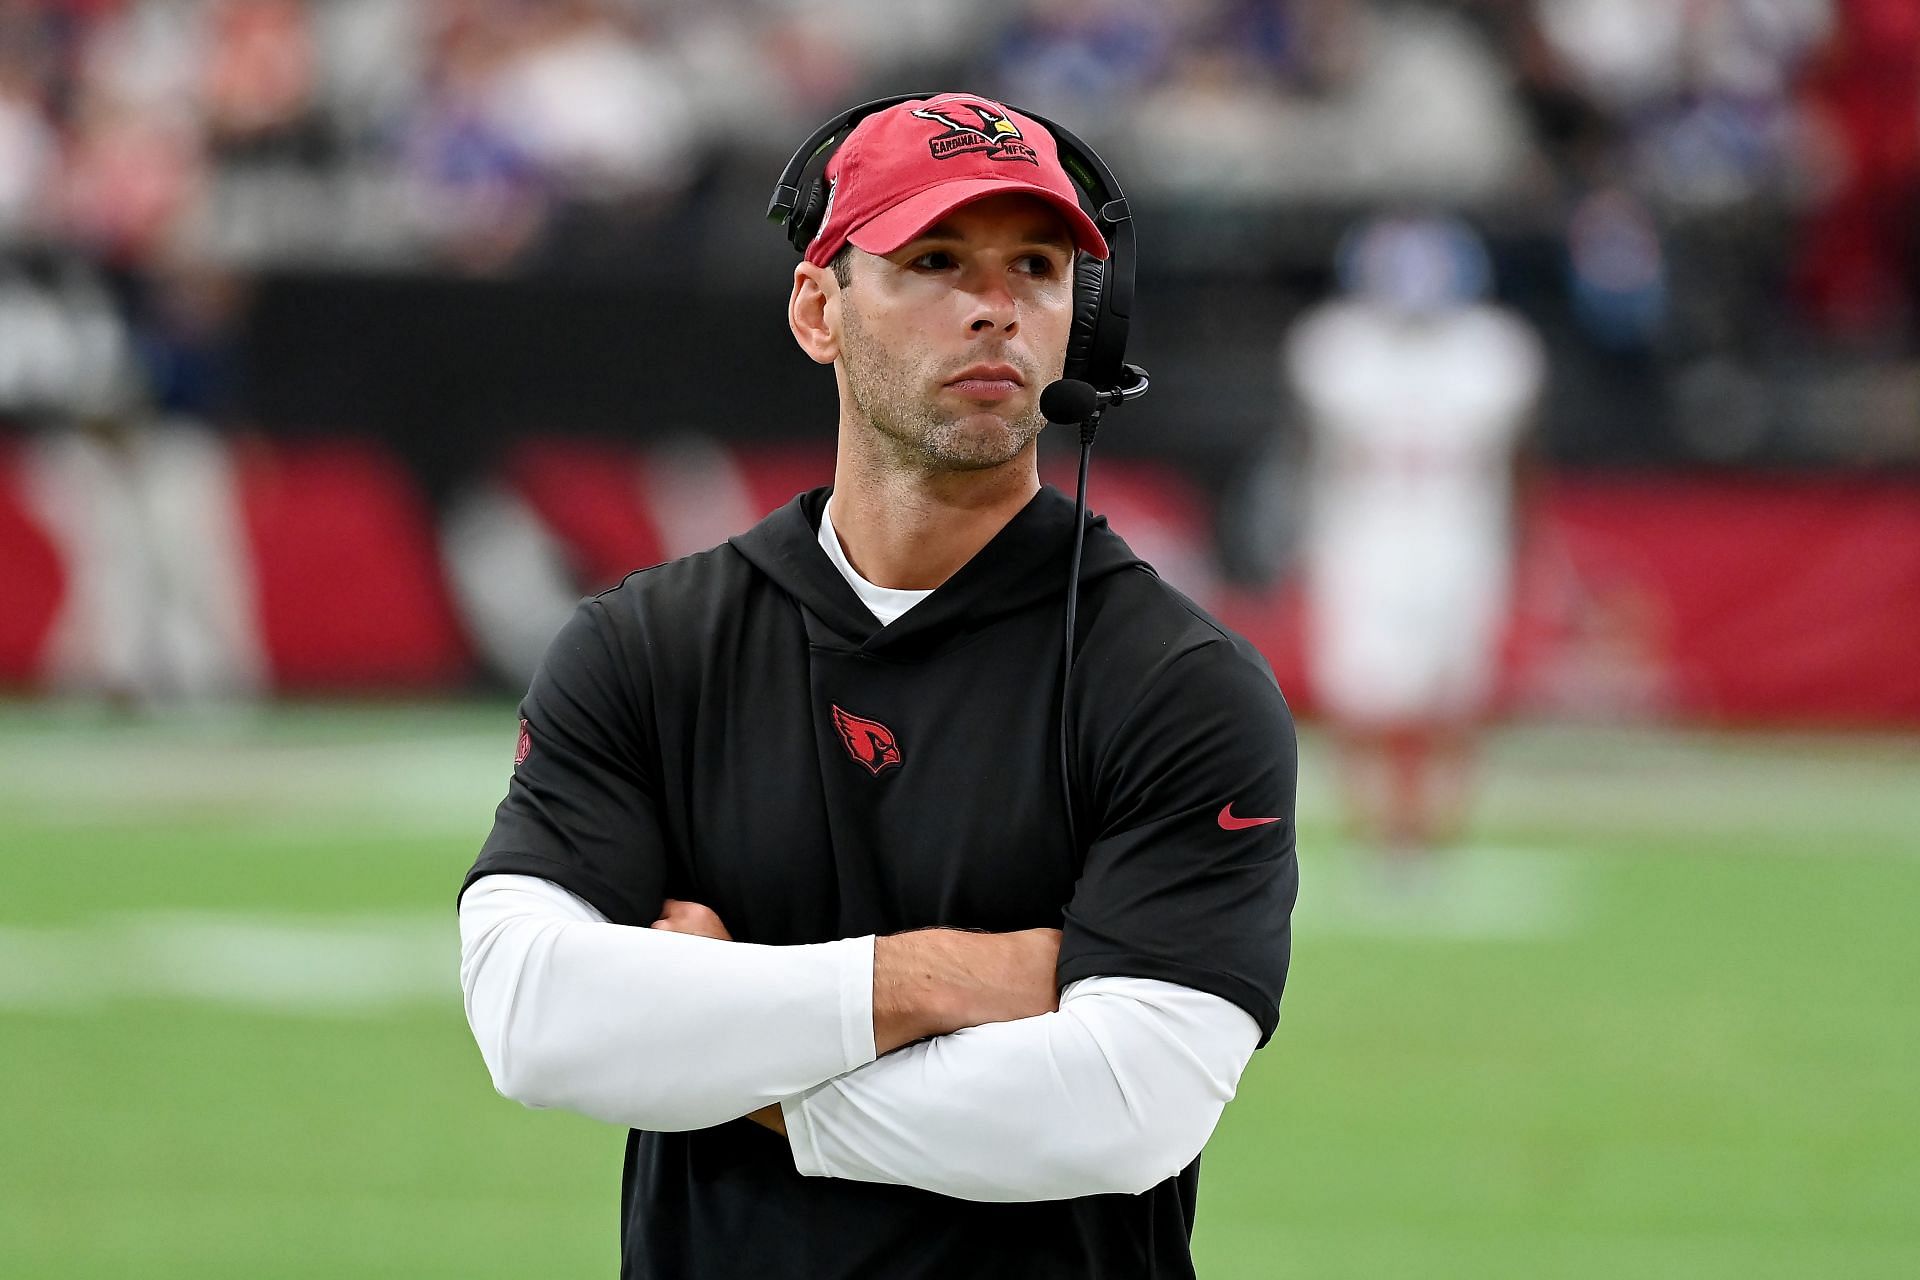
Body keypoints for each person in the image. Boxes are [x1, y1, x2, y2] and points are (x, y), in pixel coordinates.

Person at [457, 92, 1299, 1279]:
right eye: (935, 259)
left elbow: (1124, 1104)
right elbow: (531, 1018)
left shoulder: (1180, 686)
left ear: (1084, 324)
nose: (995, 305)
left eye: (1039, 267)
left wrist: (730, 1057)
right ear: (818, 308)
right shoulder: (646, 644)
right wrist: (934, 979)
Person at [1285, 212, 1544, 861]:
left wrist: (1524, 535)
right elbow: (1313, 450)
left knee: (1455, 689)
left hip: (1458, 529)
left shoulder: (1494, 350)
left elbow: (1515, 458)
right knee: (1361, 689)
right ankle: (1375, 825)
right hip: (1367, 530)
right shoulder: (1336, 345)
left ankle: (1435, 825)